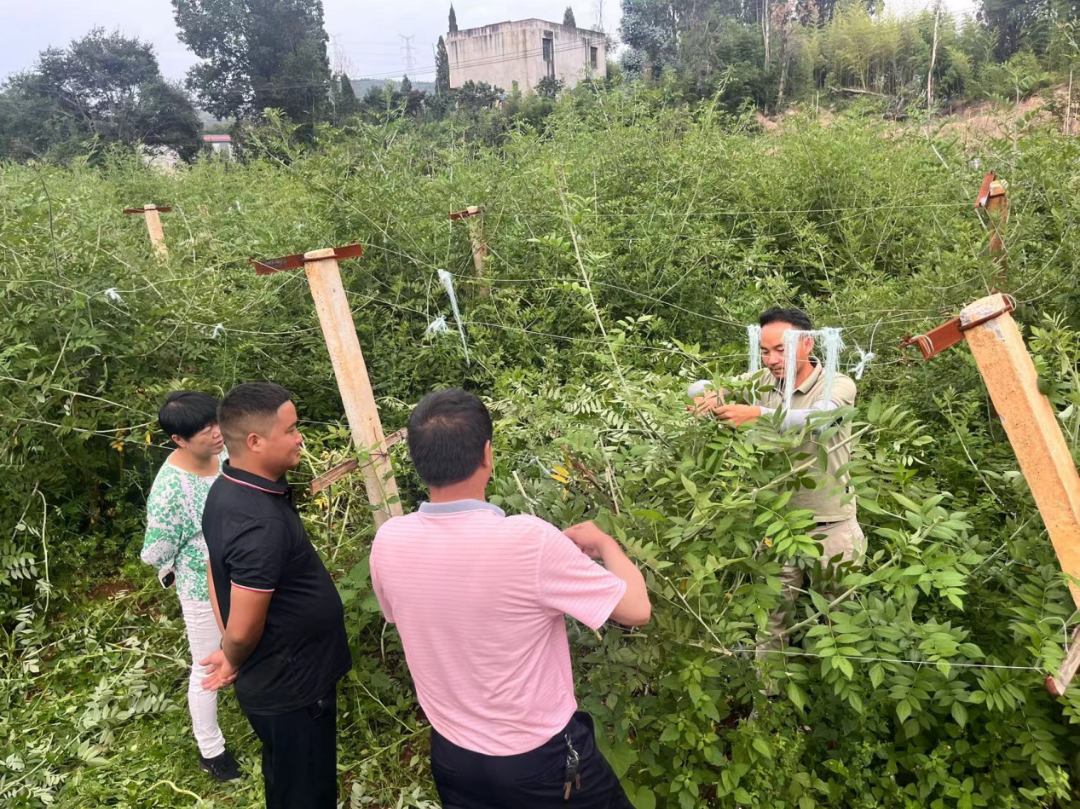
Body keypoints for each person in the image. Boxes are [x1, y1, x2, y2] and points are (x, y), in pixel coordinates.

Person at [370, 387, 651, 809]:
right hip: (540, 760)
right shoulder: (528, 540)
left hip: (452, 755)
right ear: (487, 454)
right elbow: (636, 611)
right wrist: (606, 544)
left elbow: (401, 615)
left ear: (416, 461)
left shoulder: (389, 541)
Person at [199, 383, 351, 809]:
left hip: (279, 679)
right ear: (255, 441)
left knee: (286, 778)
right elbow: (246, 629)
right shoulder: (258, 521)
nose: (300, 437)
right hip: (294, 686)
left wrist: (232, 643)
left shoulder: (228, 488)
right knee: (307, 791)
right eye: (291, 429)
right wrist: (233, 651)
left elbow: (214, 567)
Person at [691, 308, 864, 669]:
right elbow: (699, 385)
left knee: (840, 620)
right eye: (766, 351)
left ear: (807, 342)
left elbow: (819, 420)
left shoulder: (838, 384)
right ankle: (768, 701)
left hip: (832, 527)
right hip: (778, 526)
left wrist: (758, 414)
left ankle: (833, 702)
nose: (772, 360)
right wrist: (707, 393)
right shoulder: (761, 380)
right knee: (770, 622)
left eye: (781, 350)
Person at [140, 391, 241, 782]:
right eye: (204, 431)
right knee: (207, 666)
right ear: (178, 440)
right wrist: (180, 563)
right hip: (203, 586)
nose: (216, 433)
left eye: (216, 422)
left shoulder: (226, 455)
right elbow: (156, 550)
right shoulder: (170, 490)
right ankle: (211, 750)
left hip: (245, 573)